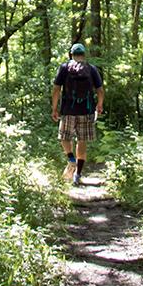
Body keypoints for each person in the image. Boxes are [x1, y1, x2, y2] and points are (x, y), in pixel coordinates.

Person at [52, 42, 104, 185]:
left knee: (64, 137)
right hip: (86, 111)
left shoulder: (64, 68)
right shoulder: (91, 69)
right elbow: (100, 90)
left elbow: (56, 89)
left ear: (71, 54)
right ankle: (77, 175)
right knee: (82, 141)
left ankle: (71, 158)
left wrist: (54, 108)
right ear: (84, 55)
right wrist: (99, 105)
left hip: (68, 110)